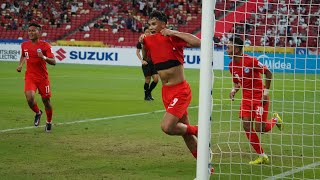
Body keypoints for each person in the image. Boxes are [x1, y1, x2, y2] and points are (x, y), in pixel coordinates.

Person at [140, 10, 209, 171]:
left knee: (167, 127)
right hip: (166, 92)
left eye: (154, 24)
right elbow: (147, 58)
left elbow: (198, 42)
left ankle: (202, 131)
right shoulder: (149, 40)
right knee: (185, 132)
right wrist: (143, 45)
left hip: (180, 91)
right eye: (149, 24)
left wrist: (173, 32)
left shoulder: (172, 37)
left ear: (163, 25)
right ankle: (205, 166)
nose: (150, 27)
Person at [226, 36, 283, 164]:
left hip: (259, 98)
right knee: (246, 125)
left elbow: (268, 73)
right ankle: (262, 155)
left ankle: (275, 120)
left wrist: (265, 93)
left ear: (236, 49)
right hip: (246, 99)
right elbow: (237, 83)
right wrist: (234, 90)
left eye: (229, 47)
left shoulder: (251, 61)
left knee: (260, 129)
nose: (226, 50)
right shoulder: (231, 66)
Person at [16, 23, 56, 132]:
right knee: (29, 98)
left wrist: (43, 57)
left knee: (46, 101)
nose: (31, 33)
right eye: (29, 31)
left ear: (39, 32)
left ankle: (48, 122)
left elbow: (54, 62)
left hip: (43, 78)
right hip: (30, 76)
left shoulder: (45, 46)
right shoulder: (24, 45)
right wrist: (20, 65)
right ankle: (38, 112)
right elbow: (24, 55)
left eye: (33, 31)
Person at [136, 25, 159, 101]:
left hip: (154, 62)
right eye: (146, 32)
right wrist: (142, 60)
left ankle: (148, 92)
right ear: (144, 32)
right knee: (148, 80)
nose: (148, 33)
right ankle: (146, 96)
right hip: (146, 62)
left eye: (149, 31)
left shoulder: (153, 40)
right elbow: (137, 52)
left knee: (156, 79)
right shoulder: (141, 41)